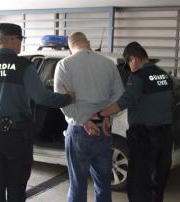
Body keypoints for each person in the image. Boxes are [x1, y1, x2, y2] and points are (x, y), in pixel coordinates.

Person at [0, 23, 75, 202]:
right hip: (17, 136)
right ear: (11, 39)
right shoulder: (24, 66)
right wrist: (67, 98)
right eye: (19, 39)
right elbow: (42, 97)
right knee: (17, 187)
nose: (21, 44)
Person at [89, 42, 173, 202]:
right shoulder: (164, 75)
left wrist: (101, 113)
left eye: (128, 63)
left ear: (133, 59)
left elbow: (123, 102)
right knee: (158, 182)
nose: (129, 68)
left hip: (145, 139)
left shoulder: (138, 77)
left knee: (139, 185)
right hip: (165, 138)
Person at [54, 32, 124, 202]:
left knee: (78, 185)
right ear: (89, 43)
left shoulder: (64, 65)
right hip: (103, 130)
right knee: (103, 185)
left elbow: (61, 100)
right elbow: (119, 97)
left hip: (79, 132)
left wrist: (83, 120)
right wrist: (107, 117)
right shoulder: (108, 64)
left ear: (70, 49)